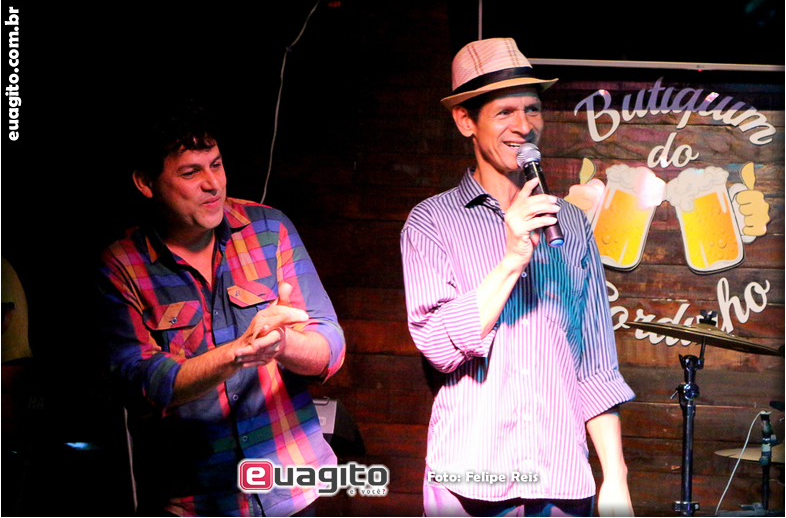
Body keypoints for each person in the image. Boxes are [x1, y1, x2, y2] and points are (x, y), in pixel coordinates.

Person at [400, 38, 636, 517]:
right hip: (472, 478)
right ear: (466, 121)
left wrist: (615, 477)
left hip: (560, 477)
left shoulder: (571, 225)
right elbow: (440, 347)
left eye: (532, 109)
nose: (524, 126)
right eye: (504, 112)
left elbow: (594, 362)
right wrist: (512, 258)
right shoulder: (431, 223)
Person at [96, 103, 345, 516]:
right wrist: (236, 354)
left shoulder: (269, 228)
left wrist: (283, 344)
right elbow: (139, 382)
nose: (213, 184)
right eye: (190, 173)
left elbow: (330, 347)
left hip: (293, 487)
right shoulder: (122, 265)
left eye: (216, 164)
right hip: (195, 499)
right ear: (145, 182)